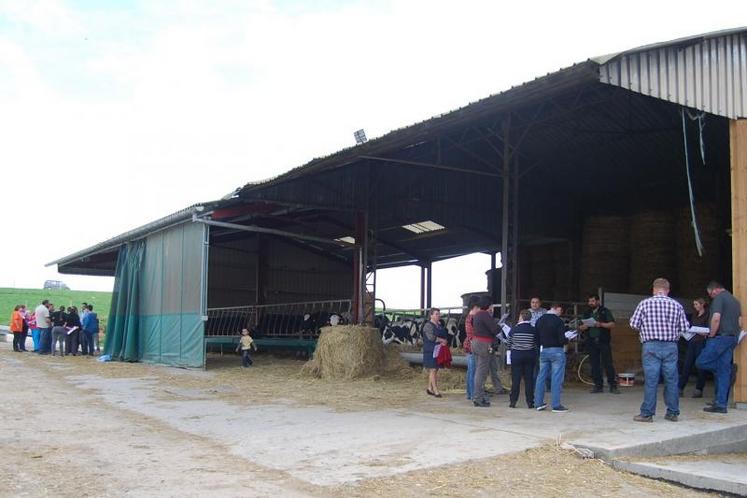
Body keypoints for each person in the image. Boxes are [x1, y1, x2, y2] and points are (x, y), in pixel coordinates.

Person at [630, 278, 688, 423]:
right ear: (668, 290)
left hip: (650, 346)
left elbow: (633, 324)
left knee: (651, 380)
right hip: (670, 346)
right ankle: (673, 412)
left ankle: (647, 414)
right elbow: (685, 328)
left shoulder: (644, 304)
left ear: (654, 289)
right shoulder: (677, 305)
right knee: (671, 380)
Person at [697, 281, 742, 414]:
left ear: (715, 290)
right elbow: (740, 321)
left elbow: (716, 318)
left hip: (720, 337)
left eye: (710, 294)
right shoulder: (735, 301)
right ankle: (720, 405)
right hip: (732, 338)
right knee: (722, 370)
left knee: (701, 362)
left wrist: (711, 334)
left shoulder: (719, 299)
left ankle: (728, 372)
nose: (711, 297)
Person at [579, 294, 620, 394]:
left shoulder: (605, 311)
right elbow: (580, 326)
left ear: (598, 301)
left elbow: (612, 324)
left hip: (603, 341)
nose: (591, 303)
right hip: (591, 341)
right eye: (589, 301)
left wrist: (600, 324)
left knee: (608, 363)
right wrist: (583, 327)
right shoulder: (587, 312)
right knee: (594, 364)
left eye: (593, 301)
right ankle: (598, 385)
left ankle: (613, 385)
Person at [534, 303, 569, 412]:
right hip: (557, 350)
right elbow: (562, 339)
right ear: (556, 309)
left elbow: (536, 338)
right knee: (556, 378)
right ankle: (556, 405)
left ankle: (538, 403)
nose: (560, 313)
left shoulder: (540, 320)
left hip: (544, 350)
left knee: (541, 377)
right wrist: (567, 339)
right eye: (560, 310)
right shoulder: (558, 321)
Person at [507, 309, 538, 408]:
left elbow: (508, 343)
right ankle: (530, 402)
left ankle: (513, 402)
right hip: (529, 356)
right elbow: (536, 343)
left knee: (516, 380)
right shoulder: (533, 330)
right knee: (529, 380)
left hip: (516, 356)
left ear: (521, 317)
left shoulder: (514, 329)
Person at [472, 296, 499, 407]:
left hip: (476, 342)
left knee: (479, 370)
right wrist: (499, 326)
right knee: (481, 372)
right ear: (488, 305)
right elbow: (494, 329)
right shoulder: (484, 315)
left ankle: (479, 396)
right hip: (484, 344)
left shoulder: (477, 315)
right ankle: (478, 397)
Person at [679, 298, 709, 398]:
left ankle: (699, 388)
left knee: (700, 365)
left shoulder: (707, 315)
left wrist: (698, 331)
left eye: (696, 304)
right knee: (687, 364)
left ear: (702, 304)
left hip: (701, 342)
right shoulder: (694, 315)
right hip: (692, 341)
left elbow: (708, 330)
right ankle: (680, 387)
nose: (695, 306)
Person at [422, 308, 449, 398]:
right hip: (430, 350)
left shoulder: (439, 325)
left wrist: (444, 341)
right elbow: (431, 337)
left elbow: (444, 334)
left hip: (438, 349)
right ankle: (436, 390)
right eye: (436, 314)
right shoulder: (428, 326)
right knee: (433, 369)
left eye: (439, 314)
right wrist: (442, 340)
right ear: (431, 315)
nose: (438, 316)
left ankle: (429, 388)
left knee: (435, 369)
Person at [463, 296, 480, 400]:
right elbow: (473, 334)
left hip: (469, 345)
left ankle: (470, 393)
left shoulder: (469, 317)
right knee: (473, 371)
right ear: (475, 307)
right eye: (479, 307)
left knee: (471, 371)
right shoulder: (473, 318)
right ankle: (473, 394)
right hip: (472, 346)